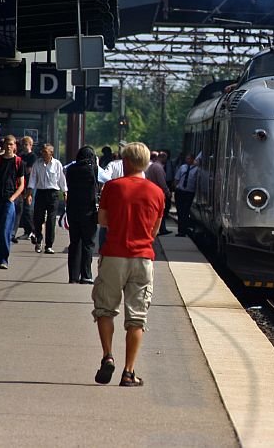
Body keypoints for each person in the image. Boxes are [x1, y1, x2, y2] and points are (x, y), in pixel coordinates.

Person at [92, 142, 164, 387]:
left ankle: (108, 355)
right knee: (136, 318)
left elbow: (103, 220)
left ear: (126, 162)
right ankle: (129, 372)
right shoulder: (157, 193)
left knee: (105, 309)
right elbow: (154, 230)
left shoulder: (112, 187)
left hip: (113, 256)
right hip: (143, 258)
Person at [0, 135, 25, 269]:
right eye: (7, 144)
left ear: (15, 146)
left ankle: (4, 259)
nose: (9, 146)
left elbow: (21, 184)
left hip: (9, 200)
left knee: (5, 230)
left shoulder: (19, 162)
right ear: (3, 145)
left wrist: (12, 198)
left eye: (11, 144)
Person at [65, 146, 99, 284]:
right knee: (88, 243)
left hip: (73, 210)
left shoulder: (71, 169)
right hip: (88, 211)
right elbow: (105, 179)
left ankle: (73, 275)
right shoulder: (93, 169)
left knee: (74, 242)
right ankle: (86, 274)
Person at [28, 143, 67, 254]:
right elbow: (33, 178)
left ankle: (49, 245)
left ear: (51, 153)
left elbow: (61, 179)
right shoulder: (37, 164)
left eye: (45, 152)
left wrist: (65, 192)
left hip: (53, 193)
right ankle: (38, 240)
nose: (43, 154)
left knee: (51, 219)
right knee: (38, 218)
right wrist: (30, 193)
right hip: (40, 193)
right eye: (42, 151)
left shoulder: (57, 164)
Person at [13, 136, 37, 243]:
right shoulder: (20, 156)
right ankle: (21, 231)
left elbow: (29, 171)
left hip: (29, 184)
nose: (24, 147)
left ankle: (32, 231)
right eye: (22, 144)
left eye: (26, 144)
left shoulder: (33, 157)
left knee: (28, 209)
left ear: (30, 145)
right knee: (19, 209)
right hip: (19, 184)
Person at [145, 151, 171, 235]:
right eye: (166, 158)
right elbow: (162, 182)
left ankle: (159, 228)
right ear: (162, 157)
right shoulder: (159, 168)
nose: (166, 160)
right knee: (160, 212)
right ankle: (162, 229)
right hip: (158, 193)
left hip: (151, 191)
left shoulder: (152, 166)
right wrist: (167, 191)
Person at [174, 154, 198, 236]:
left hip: (189, 193)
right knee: (180, 211)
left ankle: (183, 230)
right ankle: (180, 230)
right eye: (186, 158)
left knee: (185, 211)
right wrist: (175, 188)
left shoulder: (197, 169)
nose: (187, 160)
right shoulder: (182, 167)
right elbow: (177, 178)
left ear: (193, 159)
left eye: (189, 158)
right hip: (180, 191)